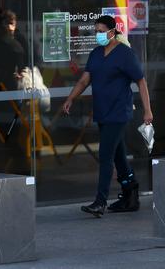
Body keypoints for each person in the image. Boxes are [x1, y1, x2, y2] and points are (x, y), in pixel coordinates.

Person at [61, 15, 153, 217]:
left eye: (101, 31)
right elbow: (84, 81)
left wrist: (147, 110)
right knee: (119, 157)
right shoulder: (95, 54)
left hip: (119, 112)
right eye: (96, 31)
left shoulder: (125, 54)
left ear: (112, 32)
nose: (98, 34)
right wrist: (70, 98)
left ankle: (100, 201)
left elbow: (141, 81)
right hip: (102, 112)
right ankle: (131, 194)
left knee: (105, 156)